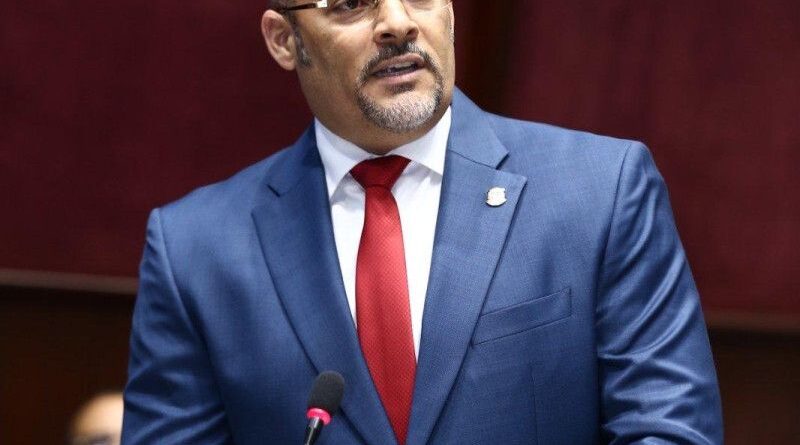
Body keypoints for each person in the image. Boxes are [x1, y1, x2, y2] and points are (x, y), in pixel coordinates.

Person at [122, 1, 723, 444]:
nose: (397, 22)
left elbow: (668, 428)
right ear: (284, 40)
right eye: (351, 4)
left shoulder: (599, 191)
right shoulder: (195, 249)